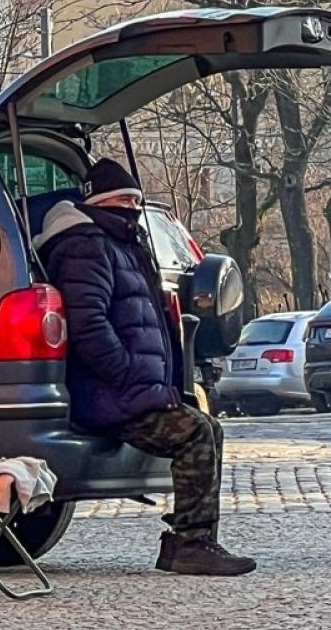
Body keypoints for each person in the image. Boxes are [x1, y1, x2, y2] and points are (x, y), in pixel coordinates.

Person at [37, 159, 254, 576]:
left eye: (136, 200)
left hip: (130, 389)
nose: (133, 208)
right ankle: (190, 543)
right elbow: (89, 323)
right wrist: (128, 374)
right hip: (110, 392)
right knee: (195, 433)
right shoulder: (87, 245)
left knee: (207, 427)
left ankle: (190, 540)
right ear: (99, 201)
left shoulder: (116, 242)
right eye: (124, 200)